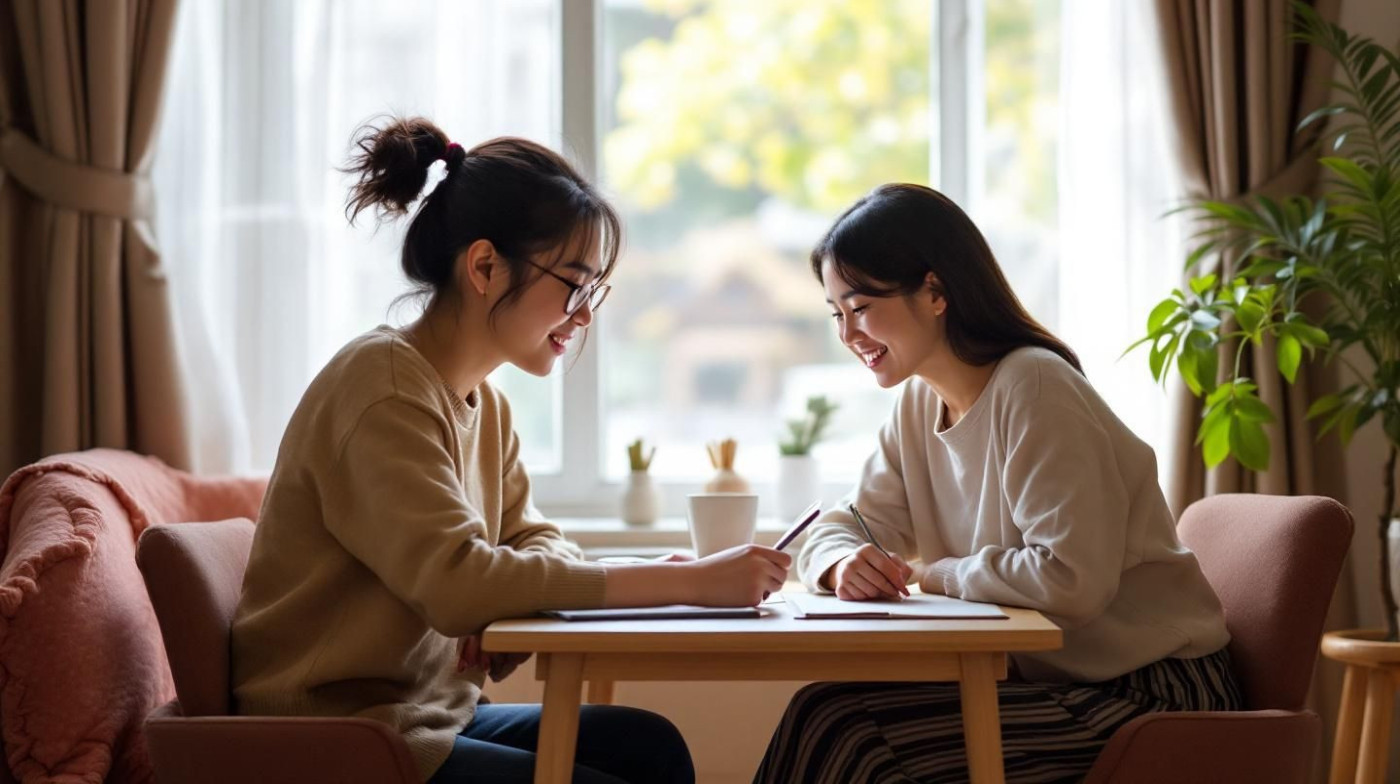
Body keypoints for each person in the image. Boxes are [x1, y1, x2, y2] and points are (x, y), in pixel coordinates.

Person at [230, 116, 791, 784]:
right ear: (486, 266)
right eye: (573, 285)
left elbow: (535, 540)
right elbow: (460, 585)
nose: (584, 316)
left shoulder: (483, 402)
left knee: (650, 748)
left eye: (593, 292)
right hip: (337, 738)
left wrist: (495, 594)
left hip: (428, 712)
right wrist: (690, 582)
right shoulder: (382, 392)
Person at [754, 183, 1238, 784]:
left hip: (1153, 692)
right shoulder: (916, 408)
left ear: (934, 291)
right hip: (1056, 685)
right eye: (836, 314)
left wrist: (936, 573)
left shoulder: (1034, 387)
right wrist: (839, 563)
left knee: (847, 731)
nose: (848, 334)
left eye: (860, 307)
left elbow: (1071, 580)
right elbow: (838, 528)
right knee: (822, 708)